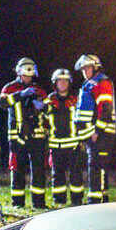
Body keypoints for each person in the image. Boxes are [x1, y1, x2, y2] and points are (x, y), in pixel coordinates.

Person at [0, 58, 49, 209]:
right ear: (19, 72)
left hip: (36, 135)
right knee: (17, 169)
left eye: (30, 75)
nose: (28, 78)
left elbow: (49, 108)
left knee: (39, 169)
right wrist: (21, 94)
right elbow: (2, 104)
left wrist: (43, 106)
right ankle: (18, 203)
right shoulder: (10, 88)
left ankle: (39, 203)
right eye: (26, 75)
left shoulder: (38, 89)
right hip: (17, 135)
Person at [74, 54, 116, 203]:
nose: (85, 71)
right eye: (83, 69)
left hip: (101, 134)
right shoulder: (91, 83)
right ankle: (99, 199)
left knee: (97, 167)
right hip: (94, 133)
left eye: (87, 68)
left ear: (95, 67)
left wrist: (97, 131)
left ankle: (96, 201)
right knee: (96, 166)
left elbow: (106, 108)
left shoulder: (101, 82)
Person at [43, 69, 83, 206]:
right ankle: (59, 201)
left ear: (69, 83)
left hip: (73, 145)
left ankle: (77, 201)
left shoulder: (76, 99)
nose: (63, 83)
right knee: (57, 175)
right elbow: (44, 121)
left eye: (65, 80)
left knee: (76, 175)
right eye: (60, 80)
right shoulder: (49, 100)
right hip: (56, 145)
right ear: (55, 83)